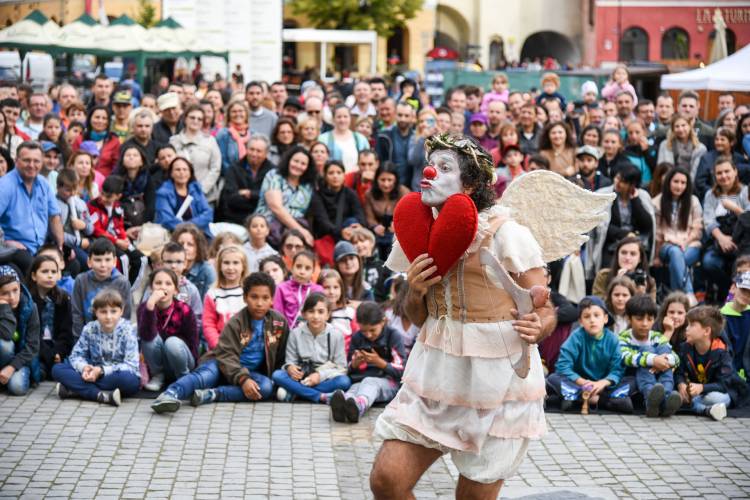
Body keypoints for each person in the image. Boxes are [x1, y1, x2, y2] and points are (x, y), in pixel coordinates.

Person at [370, 134, 575, 499]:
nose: (430, 172)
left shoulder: (507, 232)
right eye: (430, 164)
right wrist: (414, 290)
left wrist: (538, 325)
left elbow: (545, 307)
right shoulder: (418, 230)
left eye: (445, 167)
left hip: (497, 380)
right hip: (434, 374)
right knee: (387, 481)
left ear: (472, 184)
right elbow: (419, 317)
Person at [150, 272, 289, 412]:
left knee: (265, 388)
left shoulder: (278, 322)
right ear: (245, 298)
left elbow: (282, 354)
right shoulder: (237, 322)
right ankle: (170, 394)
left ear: (272, 299)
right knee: (204, 376)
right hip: (221, 365)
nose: (259, 303)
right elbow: (226, 355)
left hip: (249, 372)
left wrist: (278, 376)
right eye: (254, 297)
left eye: (265, 298)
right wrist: (243, 379)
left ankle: (212, 394)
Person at [51, 290, 140, 407]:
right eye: (103, 312)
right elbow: (76, 355)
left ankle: (76, 390)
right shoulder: (90, 328)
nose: (108, 317)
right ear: (95, 312)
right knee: (57, 369)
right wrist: (84, 368)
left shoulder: (127, 330)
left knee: (130, 381)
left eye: (113, 311)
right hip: (92, 374)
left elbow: (131, 365)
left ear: (121, 311)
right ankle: (102, 395)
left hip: (114, 375)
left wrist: (102, 371)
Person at [547, 296, 632, 412]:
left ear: (605, 318)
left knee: (632, 380)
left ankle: (575, 398)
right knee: (552, 378)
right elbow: (562, 366)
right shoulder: (576, 338)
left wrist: (602, 383)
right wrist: (583, 382)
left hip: (603, 386)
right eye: (587, 317)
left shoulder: (613, 340)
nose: (592, 320)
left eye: (597, 315)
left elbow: (617, 370)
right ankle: (599, 400)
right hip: (579, 384)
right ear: (581, 321)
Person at [331, 301, 406, 423]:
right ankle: (344, 408)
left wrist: (379, 362)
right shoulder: (357, 337)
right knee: (354, 389)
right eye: (364, 331)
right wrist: (355, 363)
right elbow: (348, 367)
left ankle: (359, 407)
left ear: (383, 321)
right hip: (362, 380)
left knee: (369, 382)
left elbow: (402, 370)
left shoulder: (393, 335)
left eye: (372, 330)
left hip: (389, 382)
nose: (368, 335)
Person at [271, 292, 350, 403]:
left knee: (344, 381)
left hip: (324, 377)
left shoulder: (336, 335)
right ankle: (320, 396)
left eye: (321, 312)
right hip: (302, 377)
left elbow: (341, 367)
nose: (316, 316)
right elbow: (290, 361)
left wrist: (319, 376)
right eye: (311, 311)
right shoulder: (295, 333)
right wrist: (290, 368)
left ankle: (295, 393)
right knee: (277, 375)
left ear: (328, 315)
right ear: (303, 314)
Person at [618, 295, 682, 418]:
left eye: (649, 319)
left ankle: (666, 400)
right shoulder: (623, 338)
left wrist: (664, 361)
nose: (645, 324)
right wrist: (652, 360)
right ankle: (650, 400)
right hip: (635, 377)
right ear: (629, 319)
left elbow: (676, 359)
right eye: (639, 319)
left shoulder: (657, 337)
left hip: (658, 376)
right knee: (647, 350)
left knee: (665, 350)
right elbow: (626, 357)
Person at [138, 268, 199, 391]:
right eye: (158, 283)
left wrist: (194, 366)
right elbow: (145, 336)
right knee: (149, 338)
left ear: (175, 290)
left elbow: (193, 341)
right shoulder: (145, 308)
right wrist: (150, 306)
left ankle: (183, 378)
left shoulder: (184, 310)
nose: (163, 287)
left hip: (182, 359)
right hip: (158, 362)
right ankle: (158, 376)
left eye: (168, 283)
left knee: (172, 342)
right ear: (151, 288)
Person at [702, 157, 750, 302]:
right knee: (709, 262)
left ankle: (736, 298)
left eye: (727, 171)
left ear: (735, 171)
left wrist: (734, 208)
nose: (723, 176)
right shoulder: (711, 195)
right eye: (719, 173)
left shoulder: (745, 191)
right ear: (714, 176)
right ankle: (725, 292)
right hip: (719, 241)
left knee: (741, 266)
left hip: (743, 242)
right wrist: (721, 238)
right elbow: (708, 220)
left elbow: (748, 219)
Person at [676, 306, 734, 421]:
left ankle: (695, 406)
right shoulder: (685, 347)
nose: (686, 329)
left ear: (706, 331)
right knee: (680, 394)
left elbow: (724, 384)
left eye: (691, 325)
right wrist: (681, 384)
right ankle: (708, 410)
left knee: (714, 398)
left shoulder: (722, 352)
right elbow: (679, 372)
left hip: (716, 393)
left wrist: (702, 387)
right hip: (696, 393)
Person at [652, 166, 702, 299]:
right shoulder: (657, 202)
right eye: (676, 181)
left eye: (683, 182)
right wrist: (656, 256)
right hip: (666, 246)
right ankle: (690, 294)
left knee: (678, 260)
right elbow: (657, 232)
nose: (679, 186)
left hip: (691, 244)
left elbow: (698, 228)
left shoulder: (693, 201)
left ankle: (676, 299)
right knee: (675, 252)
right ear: (668, 182)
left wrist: (685, 242)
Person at [71, 237, 133, 343]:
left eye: (107, 260)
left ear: (114, 261)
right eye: (98, 260)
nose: (103, 265)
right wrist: (80, 340)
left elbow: (125, 316)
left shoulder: (122, 283)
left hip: (114, 339)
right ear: (89, 262)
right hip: (86, 337)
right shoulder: (81, 280)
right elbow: (76, 313)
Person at [87, 176, 145, 285]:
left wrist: (124, 238)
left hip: (117, 240)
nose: (103, 198)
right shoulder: (93, 205)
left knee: (141, 259)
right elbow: (96, 230)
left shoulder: (118, 207)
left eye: (108, 196)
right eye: (102, 193)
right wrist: (116, 241)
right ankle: (121, 288)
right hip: (102, 241)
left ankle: (130, 288)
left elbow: (119, 227)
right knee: (123, 258)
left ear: (118, 196)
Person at [255, 146, 317, 247]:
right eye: (295, 161)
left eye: (303, 164)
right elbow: (276, 207)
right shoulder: (274, 175)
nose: (298, 165)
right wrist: (301, 231)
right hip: (269, 225)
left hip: (296, 228)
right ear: (288, 160)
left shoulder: (308, 185)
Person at [27, 255, 73, 379]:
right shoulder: (29, 301)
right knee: (37, 371)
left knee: (64, 370)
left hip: (57, 351)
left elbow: (66, 332)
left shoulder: (63, 299)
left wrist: (59, 352)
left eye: (54, 272)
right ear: (33, 276)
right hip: (36, 351)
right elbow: (31, 335)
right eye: (45, 271)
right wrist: (49, 355)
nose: (50, 275)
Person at [308, 160, 365, 254]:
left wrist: (358, 225)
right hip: (328, 235)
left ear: (343, 175)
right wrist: (340, 232)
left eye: (339, 172)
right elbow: (323, 221)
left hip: (349, 232)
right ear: (325, 176)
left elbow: (359, 214)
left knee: (352, 222)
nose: (335, 176)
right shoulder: (318, 196)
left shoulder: (350, 193)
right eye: (331, 173)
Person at [0, 265, 40, 395]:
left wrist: (11, 368)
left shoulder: (30, 307)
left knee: (17, 387)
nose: (12, 297)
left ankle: (6, 376)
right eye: (5, 293)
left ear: (20, 287)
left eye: (15, 290)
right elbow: (6, 334)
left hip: (21, 361)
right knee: (4, 345)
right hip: (3, 355)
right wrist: (5, 310)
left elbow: (33, 346)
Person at [169, 105, 222, 203]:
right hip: (178, 196)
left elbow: (215, 168)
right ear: (185, 119)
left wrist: (201, 189)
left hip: (205, 197)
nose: (196, 121)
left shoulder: (210, 141)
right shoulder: (174, 141)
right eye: (192, 117)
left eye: (200, 119)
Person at [218, 135, 275, 225]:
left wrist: (250, 194)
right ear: (246, 149)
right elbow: (230, 199)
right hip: (235, 219)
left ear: (266, 153)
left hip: (264, 221)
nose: (254, 154)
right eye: (251, 149)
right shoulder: (234, 168)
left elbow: (272, 199)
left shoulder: (273, 171)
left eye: (258, 151)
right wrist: (259, 198)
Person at [203, 245, 249, 351]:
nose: (230, 267)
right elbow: (209, 325)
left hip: (246, 349)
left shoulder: (250, 291)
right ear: (219, 266)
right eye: (226, 263)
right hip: (220, 349)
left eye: (236, 263)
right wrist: (220, 346)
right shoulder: (213, 294)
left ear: (243, 266)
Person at [155, 157, 214, 239]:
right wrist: (188, 228)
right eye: (178, 170)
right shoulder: (163, 193)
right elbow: (166, 220)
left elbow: (208, 214)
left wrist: (190, 225)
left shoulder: (196, 189)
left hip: (199, 233)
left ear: (190, 173)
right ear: (171, 173)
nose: (182, 173)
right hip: (173, 235)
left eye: (185, 169)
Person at [364, 162, 410, 260]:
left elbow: (409, 216)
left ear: (395, 180)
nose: (386, 184)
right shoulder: (369, 194)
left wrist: (398, 225)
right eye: (382, 180)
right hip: (378, 232)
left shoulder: (404, 192)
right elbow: (369, 217)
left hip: (398, 233)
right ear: (376, 180)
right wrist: (375, 226)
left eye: (390, 180)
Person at [694, 127, 749, 202]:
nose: (718, 142)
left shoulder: (740, 159)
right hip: (713, 198)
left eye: (722, 139)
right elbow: (700, 183)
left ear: (732, 142)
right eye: (716, 139)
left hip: (737, 198)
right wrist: (715, 193)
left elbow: (745, 181)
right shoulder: (707, 158)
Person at [593, 236, 656, 301]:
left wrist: (641, 296)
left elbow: (651, 310)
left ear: (640, 258)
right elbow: (598, 305)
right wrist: (615, 283)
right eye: (624, 253)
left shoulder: (648, 281)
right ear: (617, 255)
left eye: (633, 254)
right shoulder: (604, 275)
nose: (627, 258)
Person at [273, 250, 324, 329]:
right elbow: (278, 315)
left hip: (310, 334)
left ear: (313, 272)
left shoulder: (318, 290)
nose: (302, 272)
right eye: (298, 266)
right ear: (292, 268)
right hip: (287, 335)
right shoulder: (281, 288)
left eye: (307, 268)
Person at [318, 105, 370, 172]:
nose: (342, 120)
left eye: (345, 116)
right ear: (333, 119)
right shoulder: (323, 139)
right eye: (339, 117)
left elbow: (368, 160)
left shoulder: (360, 139)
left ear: (350, 118)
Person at [376, 102, 416, 186]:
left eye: (406, 116)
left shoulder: (417, 138)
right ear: (395, 115)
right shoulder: (383, 136)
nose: (403, 119)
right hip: (389, 184)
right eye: (400, 115)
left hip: (411, 184)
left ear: (412, 117)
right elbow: (379, 161)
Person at [657, 115, 708, 180]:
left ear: (690, 126)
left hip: (690, 183)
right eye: (677, 126)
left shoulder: (700, 148)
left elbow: (697, 173)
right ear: (673, 129)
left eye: (683, 125)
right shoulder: (665, 145)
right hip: (669, 181)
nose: (680, 129)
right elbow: (661, 168)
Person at [173, 223, 215, 299]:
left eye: (190, 244)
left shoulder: (207, 271)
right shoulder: (170, 266)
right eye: (181, 243)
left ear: (198, 248)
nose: (184, 247)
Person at [720, 271, 750, 377]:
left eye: (749, 293)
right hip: (727, 376)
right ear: (734, 288)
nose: (746, 295)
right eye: (743, 290)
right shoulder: (720, 317)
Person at [319, 269, 358, 352]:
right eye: (326, 287)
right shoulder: (315, 313)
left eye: (336, 287)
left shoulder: (349, 313)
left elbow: (357, 337)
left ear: (341, 289)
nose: (331, 292)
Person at [76, 105, 120, 177]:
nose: (100, 121)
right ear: (90, 119)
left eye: (104, 118)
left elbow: (116, 166)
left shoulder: (114, 141)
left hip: (106, 182)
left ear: (108, 121)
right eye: (97, 117)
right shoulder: (80, 139)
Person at [215, 100, 251, 173]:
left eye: (241, 111)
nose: (237, 114)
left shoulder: (253, 134)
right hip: (230, 177)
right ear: (229, 115)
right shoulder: (223, 134)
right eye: (234, 111)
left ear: (246, 114)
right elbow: (222, 161)